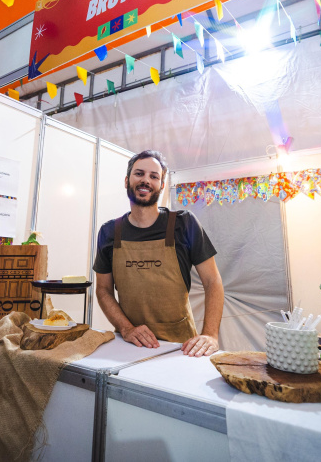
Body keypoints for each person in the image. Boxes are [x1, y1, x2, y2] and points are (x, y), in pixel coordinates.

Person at [93, 150, 224, 357]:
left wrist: (210, 335)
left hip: (181, 348)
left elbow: (212, 281)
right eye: (139, 174)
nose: (146, 180)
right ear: (127, 180)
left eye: (154, 176)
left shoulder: (184, 224)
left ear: (162, 186)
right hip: (129, 345)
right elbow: (103, 290)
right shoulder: (109, 232)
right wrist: (126, 329)